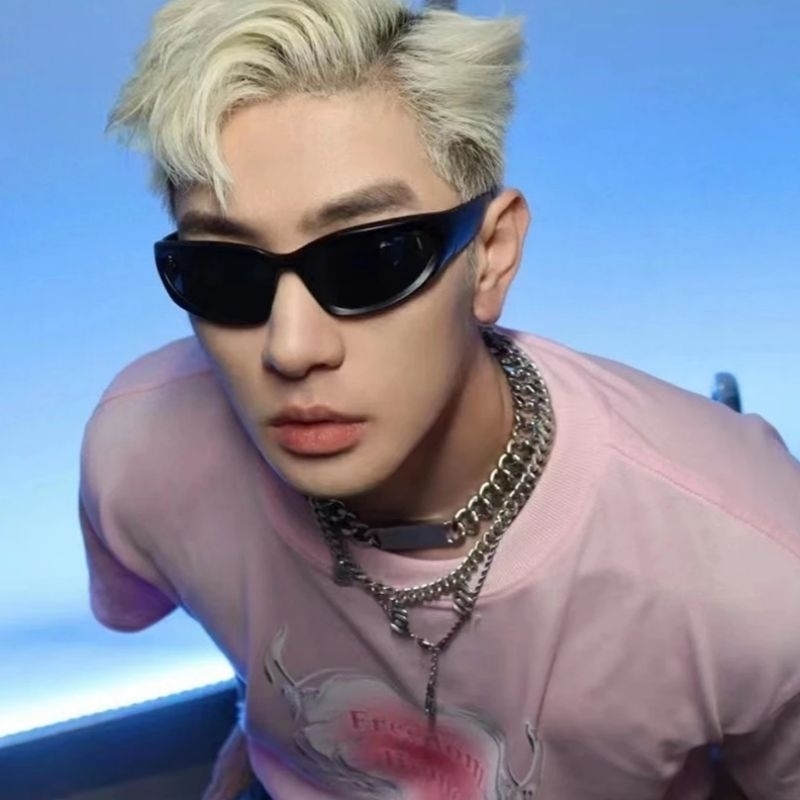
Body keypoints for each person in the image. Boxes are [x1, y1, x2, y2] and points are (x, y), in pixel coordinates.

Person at [78, 1, 800, 798]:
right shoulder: (141, 455)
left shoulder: (757, 563)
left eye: (371, 261)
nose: (292, 347)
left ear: (491, 255)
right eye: (224, 271)